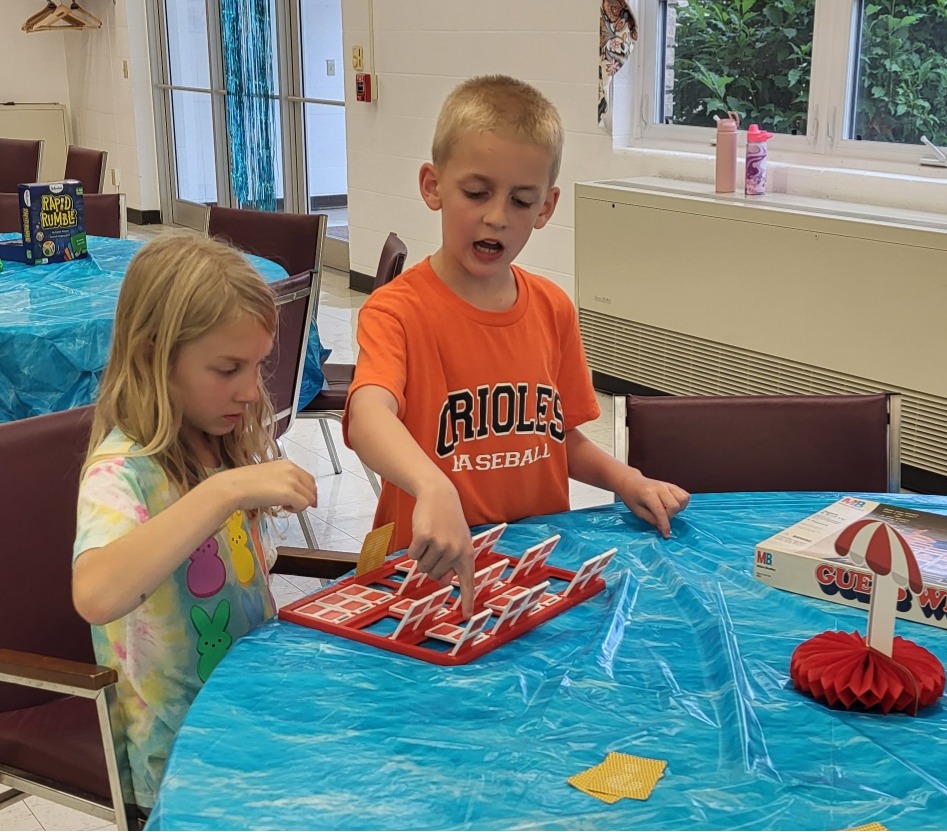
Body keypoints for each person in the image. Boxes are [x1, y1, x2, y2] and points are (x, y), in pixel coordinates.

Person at [344, 75, 689, 615]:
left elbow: (559, 439)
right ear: (433, 186)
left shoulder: (553, 309)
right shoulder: (397, 310)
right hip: (424, 572)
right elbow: (368, 416)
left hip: (529, 569)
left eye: (521, 200)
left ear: (546, 208)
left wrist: (625, 479)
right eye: (476, 193)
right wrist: (433, 488)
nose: (497, 216)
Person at [71, 234, 317, 811]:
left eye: (256, 366)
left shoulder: (218, 439)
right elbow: (97, 593)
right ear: (154, 355)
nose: (253, 390)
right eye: (228, 368)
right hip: (179, 762)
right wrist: (226, 490)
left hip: (251, 722)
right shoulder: (121, 470)